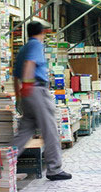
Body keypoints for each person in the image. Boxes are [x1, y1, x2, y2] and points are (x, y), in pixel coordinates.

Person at [13, 21, 71, 181]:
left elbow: (15, 75)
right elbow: (30, 63)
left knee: (25, 131)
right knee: (50, 129)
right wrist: (28, 85)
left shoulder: (23, 48)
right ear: (42, 33)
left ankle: (4, 162)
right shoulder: (36, 45)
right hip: (36, 90)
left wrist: (20, 96)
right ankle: (54, 169)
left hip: (26, 93)